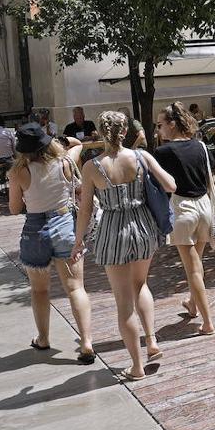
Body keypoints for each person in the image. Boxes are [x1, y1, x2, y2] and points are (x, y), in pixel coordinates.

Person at [71, 111, 176, 381]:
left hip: (113, 231)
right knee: (140, 284)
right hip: (142, 227)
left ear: (103, 133)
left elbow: (84, 211)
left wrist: (79, 240)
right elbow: (171, 185)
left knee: (123, 302)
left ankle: (137, 366)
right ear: (125, 130)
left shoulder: (92, 166)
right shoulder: (141, 157)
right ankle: (151, 341)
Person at [7, 123, 95, 363]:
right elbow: (79, 144)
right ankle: (86, 342)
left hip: (35, 229)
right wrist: (58, 139)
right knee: (75, 287)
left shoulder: (18, 171)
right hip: (64, 222)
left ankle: (44, 338)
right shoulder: (66, 162)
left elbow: (14, 208)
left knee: (39, 289)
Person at [154, 102, 215, 336]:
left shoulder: (163, 152)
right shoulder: (200, 146)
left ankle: (208, 322)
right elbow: (212, 176)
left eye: (160, 125)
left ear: (172, 125)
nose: (158, 130)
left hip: (182, 209)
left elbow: (157, 185)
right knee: (197, 264)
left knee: (193, 270)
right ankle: (193, 304)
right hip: (204, 207)